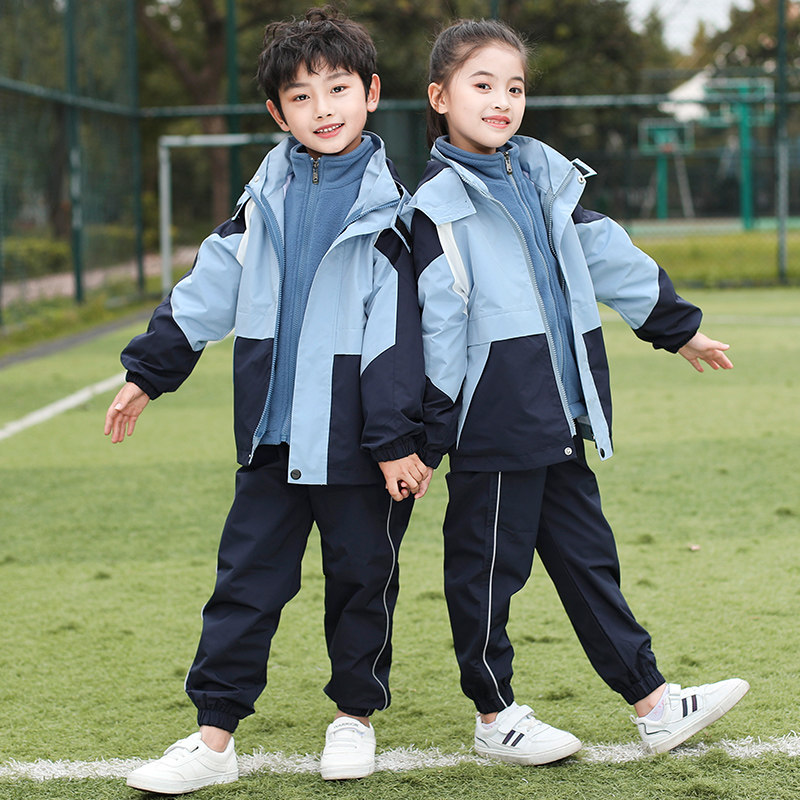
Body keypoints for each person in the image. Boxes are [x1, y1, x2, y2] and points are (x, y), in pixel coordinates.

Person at [104, 8, 436, 792]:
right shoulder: (260, 204)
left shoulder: (403, 214)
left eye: (338, 88)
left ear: (372, 93)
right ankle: (213, 739)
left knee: (363, 584)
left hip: (363, 448)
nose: (322, 108)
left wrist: (395, 440)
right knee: (244, 588)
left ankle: (354, 717)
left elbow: (401, 341)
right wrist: (147, 372)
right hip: (273, 442)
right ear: (276, 113)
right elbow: (204, 294)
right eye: (301, 95)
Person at [405, 18, 749, 767]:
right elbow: (434, 328)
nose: (502, 101)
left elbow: (607, 253)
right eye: (482, 84)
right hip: (493, 420)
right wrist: (426, 438)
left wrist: (675, 326)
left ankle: (654, 704)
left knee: (590, 562)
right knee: (487, 570)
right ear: (440, 96)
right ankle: (494, 715)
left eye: (515, 87)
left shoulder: (541, 174)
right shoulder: (434, 206)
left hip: (557, 409)